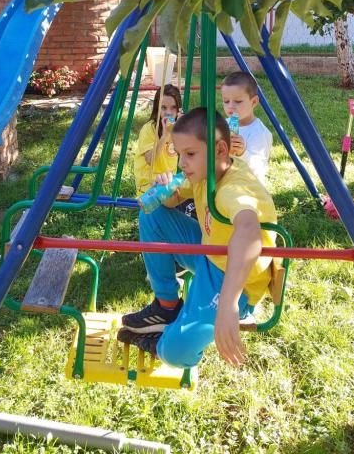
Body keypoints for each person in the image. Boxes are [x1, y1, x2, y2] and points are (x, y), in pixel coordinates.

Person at [117, 107, 278, 369]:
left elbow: (249, 231)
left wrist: (228, 304)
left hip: (232, 278)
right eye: (180, 155)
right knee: (153, 214)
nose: (182, 163)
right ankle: (167, 306)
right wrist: (165, 189)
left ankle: (161, 341)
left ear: (220, 150)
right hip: (210, 251)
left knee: (175, 353)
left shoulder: (234, 188)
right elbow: (172, 202)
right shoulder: (208, 172)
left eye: (190, 154)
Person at [221, 71, 273, 185]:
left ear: (253, 102)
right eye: (226, 101)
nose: (231, 106)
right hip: (229, 183)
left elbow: (258, 166)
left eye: (238, 101)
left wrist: (242, 152)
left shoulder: (259, 132)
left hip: (250, 188)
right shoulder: (223, 124)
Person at [133, 84, 182, 195]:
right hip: (149, 183)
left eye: (173, 107)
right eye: (163, 108)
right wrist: (165, 136)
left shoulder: (177, 127)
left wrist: (184, 129)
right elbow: (150, 160)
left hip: (168, 179)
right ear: (157, 108)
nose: (168, 112)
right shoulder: (149, 129)